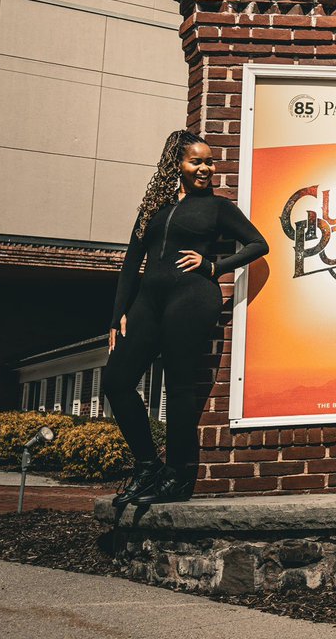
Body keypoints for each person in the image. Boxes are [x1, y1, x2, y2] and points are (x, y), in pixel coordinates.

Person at [103, 130, 268, 505]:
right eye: (197, 161)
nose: (206, 168)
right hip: (148, 301)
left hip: (192, 297)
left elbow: (260, 244)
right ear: (176, 164)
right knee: (116, 380)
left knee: (179, 388)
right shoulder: (153, 207)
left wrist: (213, 266)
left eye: (209, 162)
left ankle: (177, 478)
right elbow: (131, 262)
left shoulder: (218, 208)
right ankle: (148, 466)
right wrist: (117, 317)